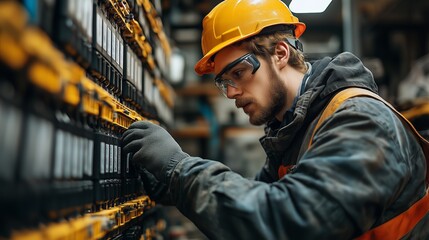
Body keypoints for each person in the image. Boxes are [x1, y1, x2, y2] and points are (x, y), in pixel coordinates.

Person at [121, 0, 429, 239]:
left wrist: (179, 170)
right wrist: (174, 188)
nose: (231, 92)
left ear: (280, 53)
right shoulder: (293, 131)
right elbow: (253, 207)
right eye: (224, 81)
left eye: (238, 73)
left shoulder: (361, 121)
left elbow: (286, 221)